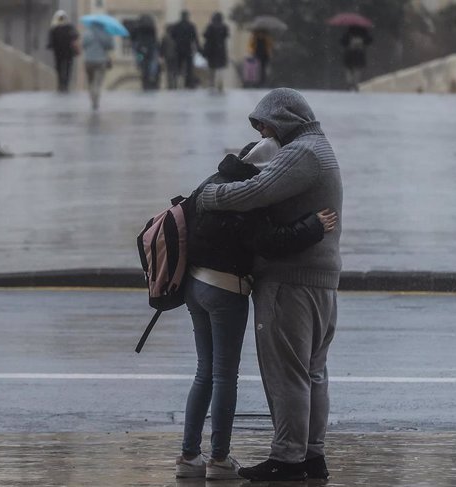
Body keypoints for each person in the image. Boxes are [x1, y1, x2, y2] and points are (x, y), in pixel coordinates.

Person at [197, 88, 343, 482]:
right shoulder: (322, 148)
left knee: (287, 373)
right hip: (322, 279)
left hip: (290, 282)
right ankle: (312, 457)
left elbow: (254, 192)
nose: (262, 133)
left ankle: (287, 459)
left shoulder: (301, 153)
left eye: (264, 124)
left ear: (284, 121)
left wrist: (208, 197)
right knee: (313, 373)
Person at [82, 22, 114, 110]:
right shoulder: (106, 33)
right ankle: (96, 98)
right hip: (101, 61)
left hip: (89, 61)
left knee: (90, 81)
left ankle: (92, 97)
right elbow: (111, 46)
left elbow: (83, 45)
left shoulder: (87, 33)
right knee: (98, 81)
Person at [47, 10, 79, 93]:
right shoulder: (69, 27)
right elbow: (76, 35)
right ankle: (65, 84)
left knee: (59, 68)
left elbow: (50, 42)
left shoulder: (54, 28)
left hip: (59, 52)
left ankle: (61, 84)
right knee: (67, 69)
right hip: (68, 52)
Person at [172, 10, 200, 88]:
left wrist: (178, 41)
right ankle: (188, 83)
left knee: (178, 67)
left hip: (178, 49)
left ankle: (178, 82)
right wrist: (198, 49)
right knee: (189, 67)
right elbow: (195, 39)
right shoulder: (191, 26)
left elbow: (172, 36)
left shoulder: (176, 26)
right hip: (188, 49)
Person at [202, 12, 229, 93]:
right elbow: (226, 36)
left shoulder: (210, 27)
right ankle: (220, 84)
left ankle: (212, 84)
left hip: (212, 52)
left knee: (211, 69)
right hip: (221, 51)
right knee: (220, 68)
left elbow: (205, 35)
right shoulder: (224, 27)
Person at [132, 15, 160, 90]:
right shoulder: (152, 28)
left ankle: (138, 64)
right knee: (152, 61)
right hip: (150, 48)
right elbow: (155, 38)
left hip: (141, 49)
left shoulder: (137, 28)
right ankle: (152, 75)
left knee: (139, 57)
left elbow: (133, 38)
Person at [341, 26, 372, 91]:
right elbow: (369, 40)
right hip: (359, 54)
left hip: (350, 54)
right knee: (357, 70)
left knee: (349, 70)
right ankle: (355, 83)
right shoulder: (364, 32)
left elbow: (343, 42)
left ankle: (350, 82)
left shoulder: (349, 31)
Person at [159, 24, 179, 89]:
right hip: (176, 56)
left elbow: (162, 47)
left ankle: (170, 84)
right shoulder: (176, 37)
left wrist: (161, 55)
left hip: (168, 56)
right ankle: (175, 84)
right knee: (175, 70)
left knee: (169, 70)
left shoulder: (165, 37)